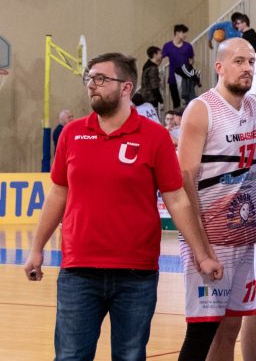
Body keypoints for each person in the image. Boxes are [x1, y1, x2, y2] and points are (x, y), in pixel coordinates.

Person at [24, 52, 222, 361]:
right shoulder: (72, 134)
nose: (92, 85)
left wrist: (203, 254)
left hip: (136, 274)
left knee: (130, 356)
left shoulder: (155, 136)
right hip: (79, 271)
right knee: (71, 356)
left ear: (126, 87)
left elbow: (177, 199)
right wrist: (36, 249)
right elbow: (58, 195)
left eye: (101, 79)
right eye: (90, 78)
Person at [176, 38, 256, 361]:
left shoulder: (254, 106)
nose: (247, 68)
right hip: (211, 239)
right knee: (201, 334)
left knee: (230, 329)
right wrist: (201, 249)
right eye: (239, 61)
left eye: (251, 62)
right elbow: (184, 181)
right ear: (220, 67)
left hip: (243, 238)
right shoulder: (202, 109)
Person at [162, 24, 194, 108]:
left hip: (186, 78)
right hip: (173, 78)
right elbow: (161, 58)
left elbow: (191, 60)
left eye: (185, 32)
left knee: (188, 102)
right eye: (183, 32)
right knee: (176, 102)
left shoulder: (188, 46)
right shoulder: (168, 46)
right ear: (177, 33)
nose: (185, 34)